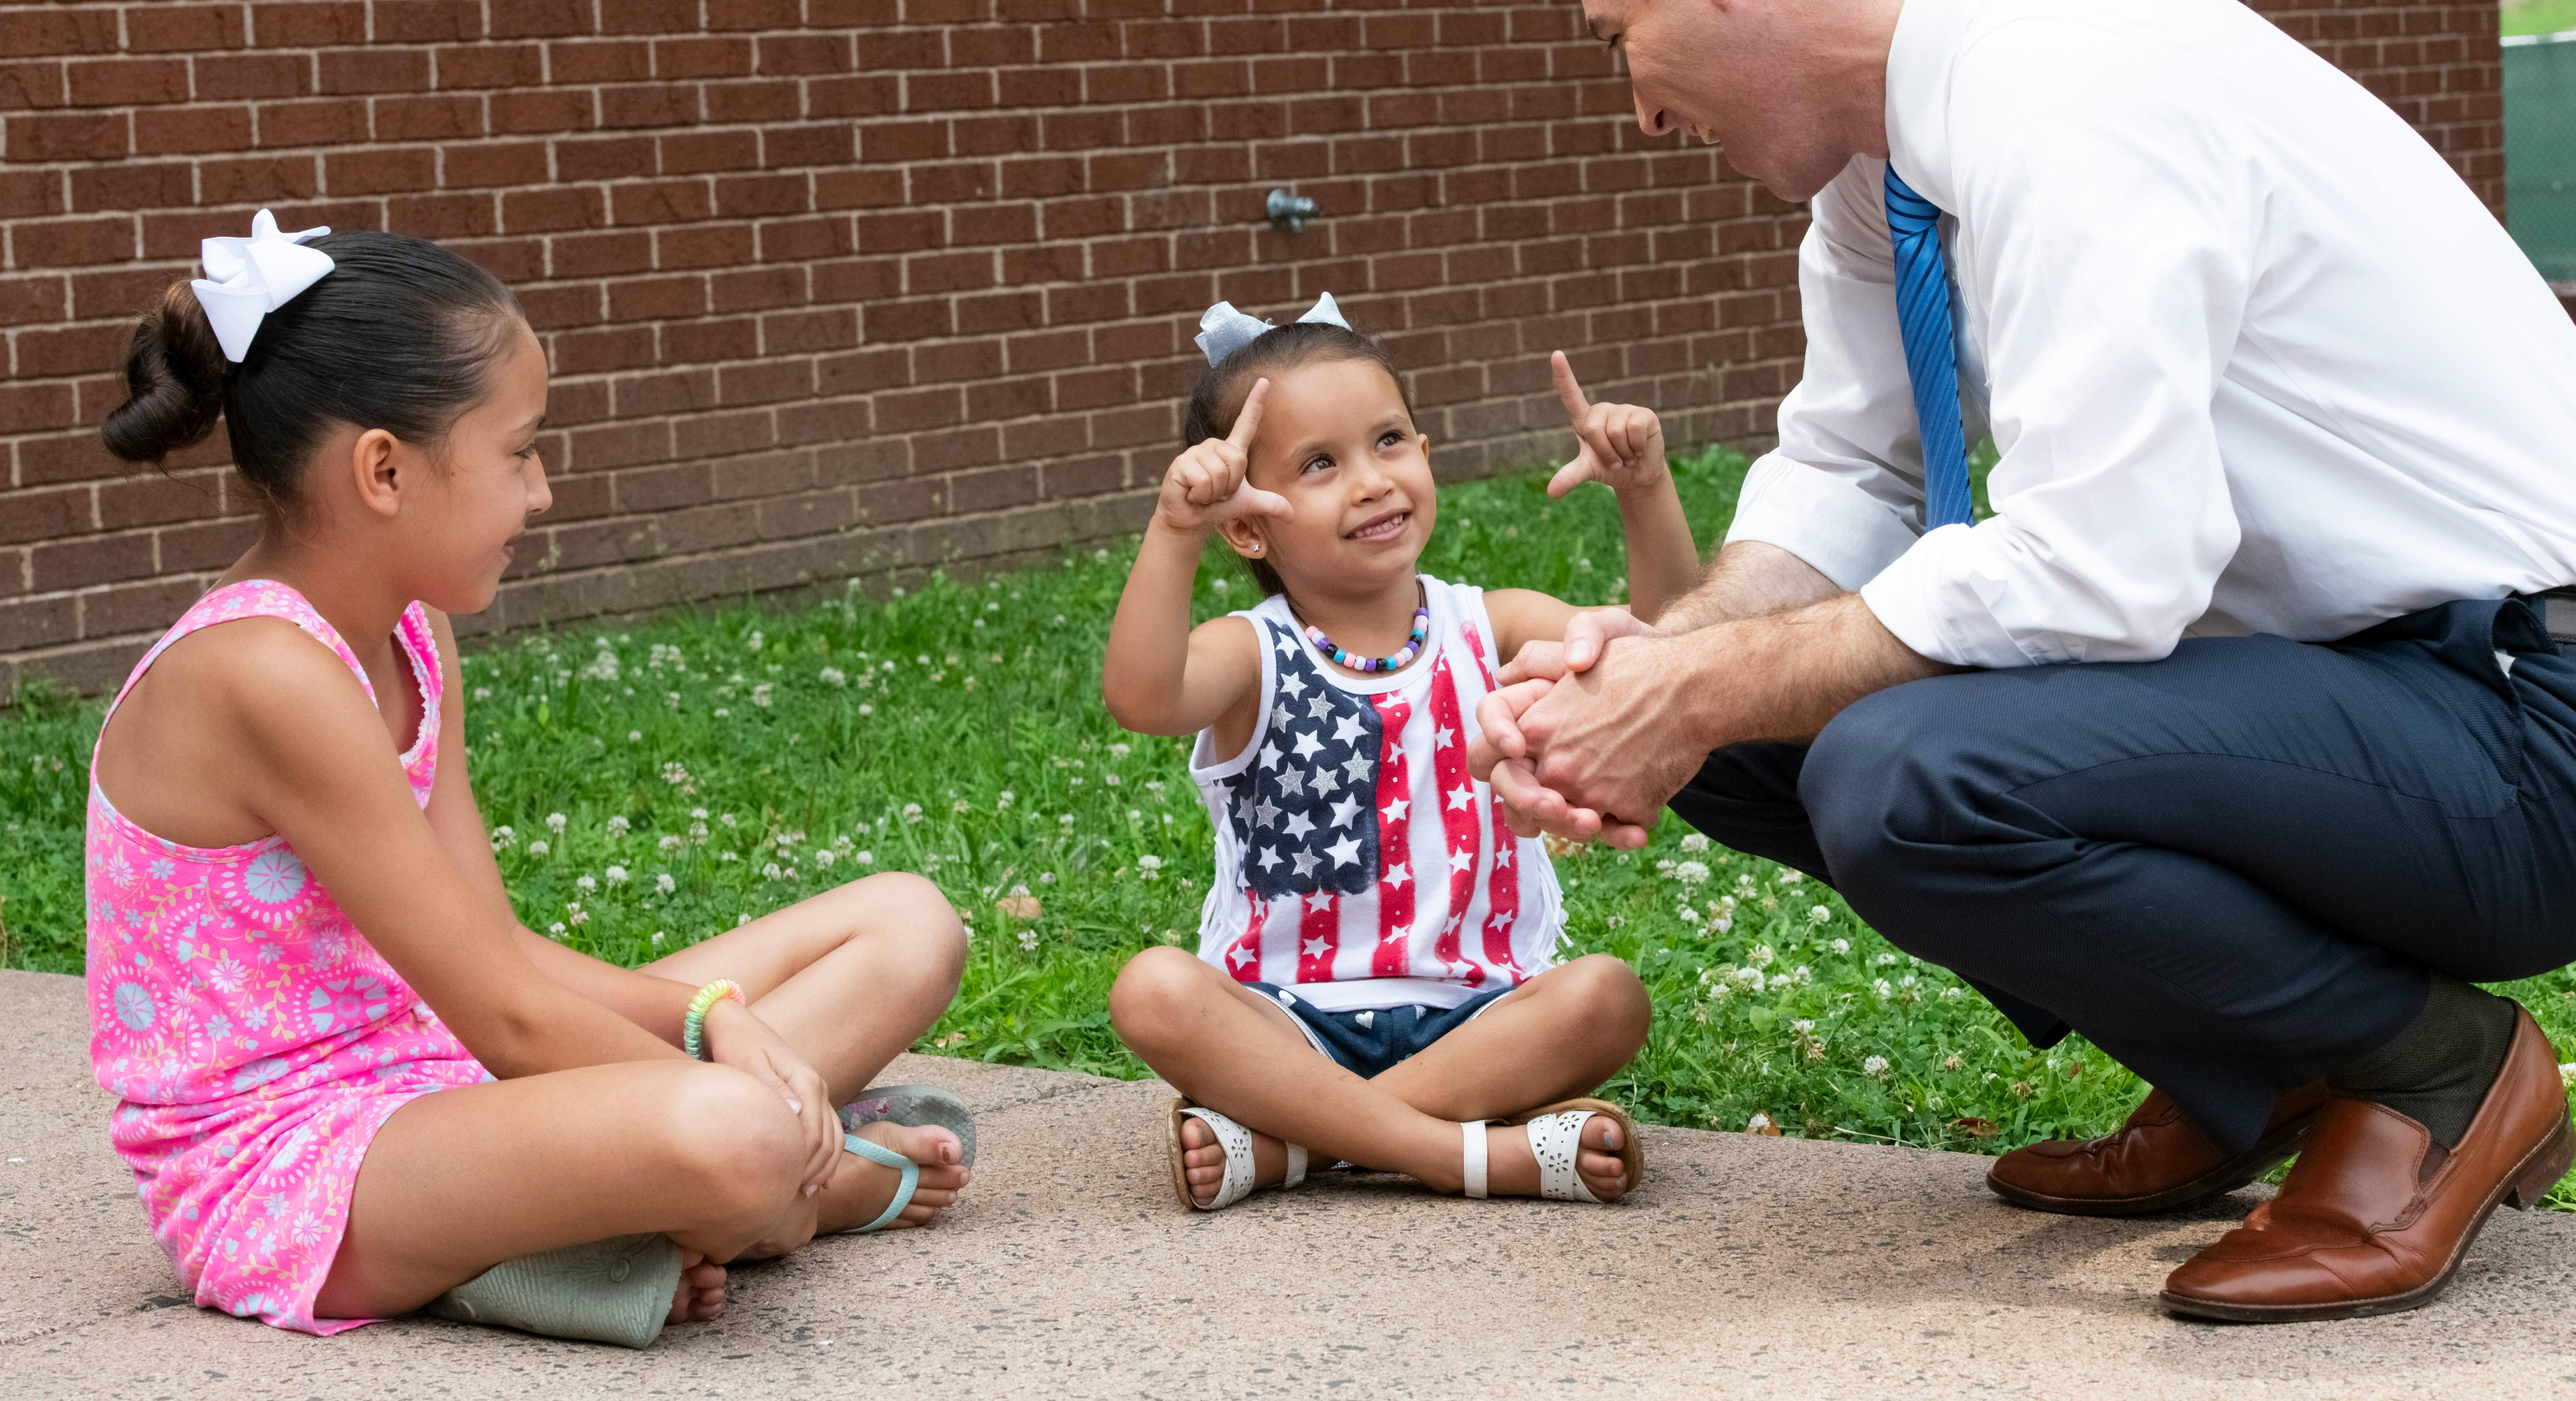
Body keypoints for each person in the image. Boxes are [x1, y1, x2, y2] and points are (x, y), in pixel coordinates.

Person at [1480, 0, 2576, 1322]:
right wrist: (1658, 660)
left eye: (1610, 29)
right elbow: (1847, 473)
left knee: (1900, 766)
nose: (1634, 104)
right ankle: (2253, 1069)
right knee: (1749, 729)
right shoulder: (1887, 165)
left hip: (2533, 725)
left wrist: (1695, 682)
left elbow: (2109, 568)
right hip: (2339, 698)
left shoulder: (2068, 75)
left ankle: (2430, 1073)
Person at [85, 212, 975, 1348]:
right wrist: (757, 1096)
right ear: (385, 470)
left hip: (441, 1072)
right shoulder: (263, 673)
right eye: (518, 450)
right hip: (300, 1165)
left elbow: (494, 957)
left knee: (907, 926)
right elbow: (505, 1017)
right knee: (738, 1137)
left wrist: (714, 1016)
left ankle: (647, 1215)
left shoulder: (407, 631)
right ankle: (787, 1185)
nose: (543, 491)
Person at [1101, 296, 1688, 1210]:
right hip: (1285, 1020)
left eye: (1389, 442)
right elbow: (1141, 698)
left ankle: (1297, 1146)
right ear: (1249, 525)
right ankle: (1470, 1156)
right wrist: (1175, 530)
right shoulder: (1250, 654)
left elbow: (1663, 654)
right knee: (1154, 992)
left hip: (1480, 1013)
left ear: (1425, 451)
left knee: (1607, 999)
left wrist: (1646, 490)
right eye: (1320, 464)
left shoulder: (1491, 627)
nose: (1372, 481)